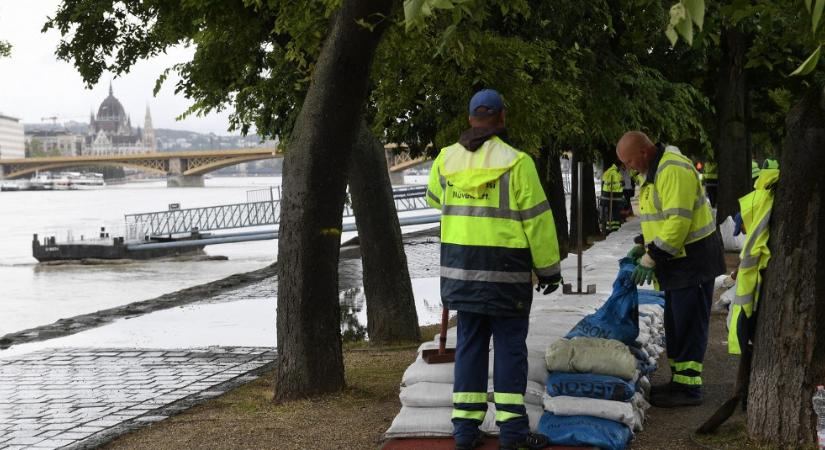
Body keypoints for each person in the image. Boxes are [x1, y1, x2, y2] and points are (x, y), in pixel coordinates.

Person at [426, 89, 560, 450]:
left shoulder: (445, 161)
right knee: (509, 349)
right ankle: (513, 434)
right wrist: (549, 271)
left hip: (460, 272)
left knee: (469, 346)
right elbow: (538, 222)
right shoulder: (517, 163)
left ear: (471, 119)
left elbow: (434, 199)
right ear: (501, 118)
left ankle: (465, 432)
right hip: (505, 276)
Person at [617, 131, 725, 408]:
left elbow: (678, 221)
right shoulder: (654, 173)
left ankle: (689, 389)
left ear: (643, 151)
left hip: (694, 261)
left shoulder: (672, 170)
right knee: (676, 324)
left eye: (629, 161)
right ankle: (679, 382)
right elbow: (661, 218)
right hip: (679, 261)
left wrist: (651, 257)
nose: (628, 168)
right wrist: (644, 244)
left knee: (689, 324)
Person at [600, 161, 625, 234]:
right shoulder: (613, 172)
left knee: (613, 214)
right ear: (620, 165)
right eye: (624, 165)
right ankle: (612, 230)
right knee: (613, 214)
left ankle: (614, 229)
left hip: (610, 197)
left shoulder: (613, 171)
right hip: (611, 197)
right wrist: (621, 184)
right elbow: (612, 185)